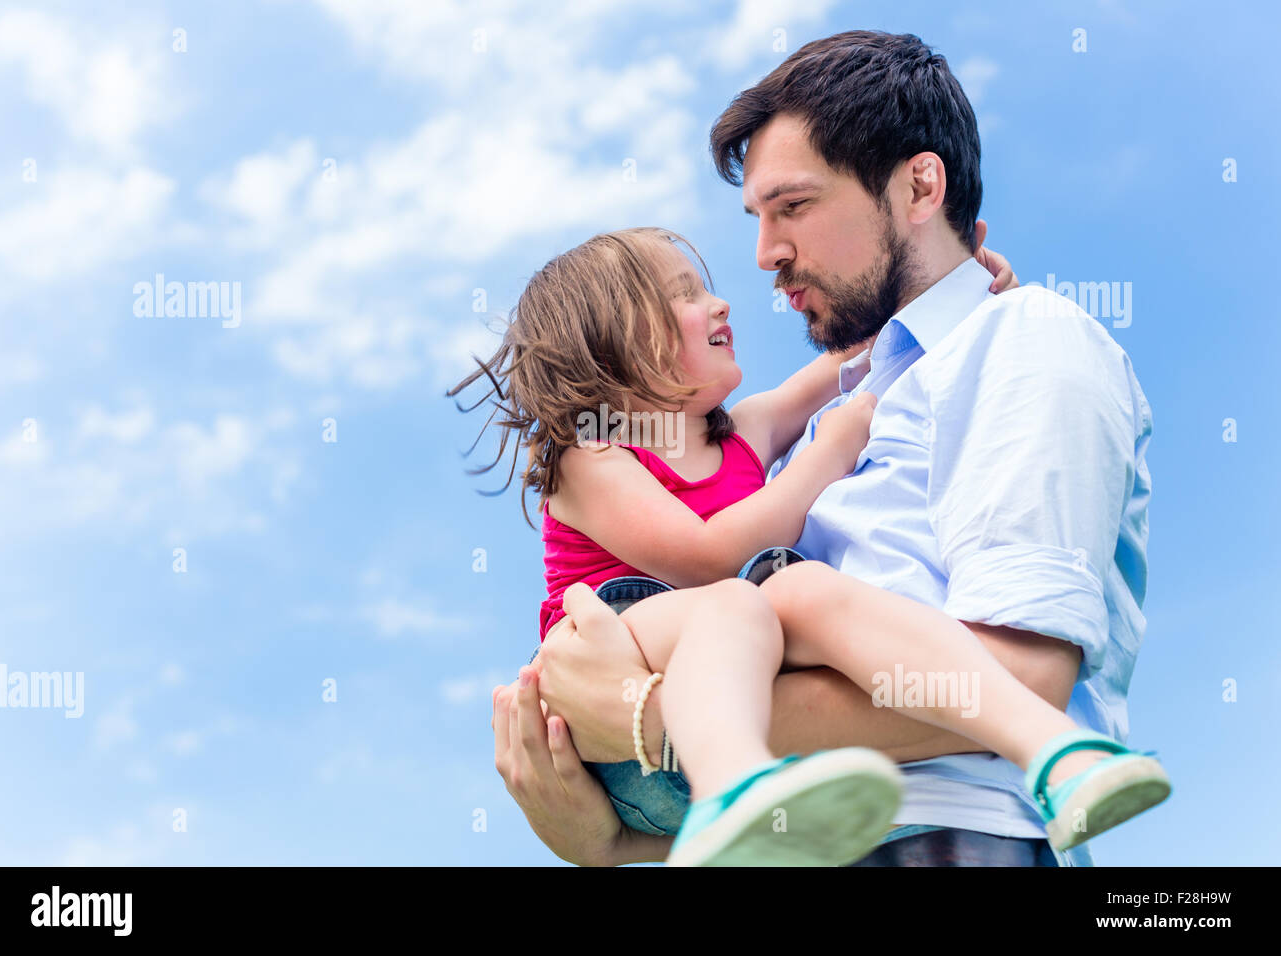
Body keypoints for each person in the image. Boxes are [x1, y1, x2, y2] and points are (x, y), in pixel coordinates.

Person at [491, 30, 1167, 867]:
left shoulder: (1020, 340)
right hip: (801, 836)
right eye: (758, 218)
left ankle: (1063, 760)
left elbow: (1024, 678)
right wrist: (613, 837)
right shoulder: (821, 426)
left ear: (920, 186)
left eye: (794, 207)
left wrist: (641, 715)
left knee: (791, 594)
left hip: (940, 838)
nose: (764, 255)